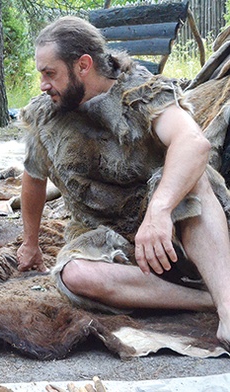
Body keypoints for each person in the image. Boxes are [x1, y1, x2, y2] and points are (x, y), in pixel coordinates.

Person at [16, 16, 230, 348]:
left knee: (195, 179)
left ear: (83, 65)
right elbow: (33, 180)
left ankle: (228, 310)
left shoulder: (141, 91)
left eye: (50, 73)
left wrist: (159, 211)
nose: (43, 84)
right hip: (109, 241)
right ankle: (204, 299)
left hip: (173, 227)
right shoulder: (46, 115)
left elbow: (193, 143)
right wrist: (30, 245)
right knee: (74, 275)